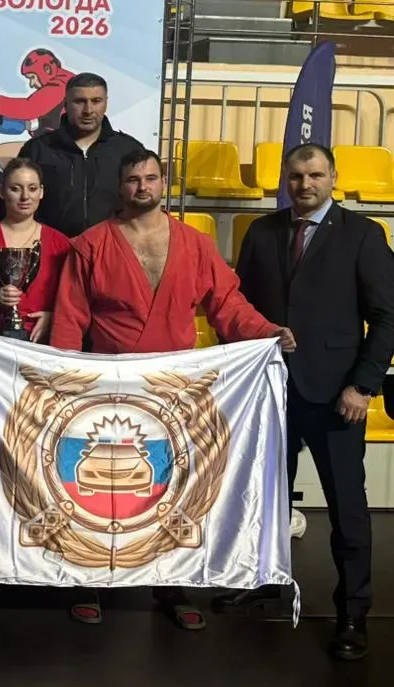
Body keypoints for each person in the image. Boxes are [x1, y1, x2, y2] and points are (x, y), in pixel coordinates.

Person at [49, 148, 295, 631]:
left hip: (174, 388)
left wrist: (266, 331)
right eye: (133, 179)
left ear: (163, 183)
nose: (142, 187)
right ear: (120, 186)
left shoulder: (196, 245)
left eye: (150, 178)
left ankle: (172, 584)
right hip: (109, 386)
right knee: (100, 492)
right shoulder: (91, 245)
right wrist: (63, 381)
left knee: (171, 488)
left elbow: (227, 305)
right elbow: (70, 319)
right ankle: (89, 581)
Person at [227, 143, 394, 661]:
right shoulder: (261, 232)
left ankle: (353, 612)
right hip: (268, 391)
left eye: (316, 175)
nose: (305, 185)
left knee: (347, 508)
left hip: (337, 395)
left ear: (333, 177)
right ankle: (265, 584)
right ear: (286, 178)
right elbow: (240, 306)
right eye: (297, 176)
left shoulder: (364, 234)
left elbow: (387, 316)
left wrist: (363, 386)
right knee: (265, 499)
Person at [18, 73, 143, 238]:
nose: (88, 110)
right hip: (51, 248)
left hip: (113, 248)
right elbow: (17, 205)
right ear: (65, 104)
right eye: (80, 101)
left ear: (106, 103)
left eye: (96, 101)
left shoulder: (129, 150)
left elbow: (143, 203)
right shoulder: (37, 149)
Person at [0, 158, 71, 342]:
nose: (25, 196)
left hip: (39, 341)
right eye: (15, 188)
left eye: (32, 188)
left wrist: (53, 315)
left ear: (41, 192)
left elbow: (73, 298)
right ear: (2, 191)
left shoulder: (60, 243)